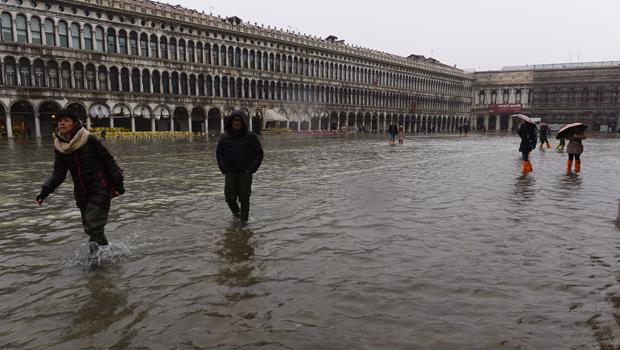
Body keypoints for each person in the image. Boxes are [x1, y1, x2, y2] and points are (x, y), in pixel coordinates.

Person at [36, 109, 124, 253]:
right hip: (81, 192)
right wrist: (45, 191)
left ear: (75, 123)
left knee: (93, 226)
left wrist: (118, 183)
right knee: (90, 228)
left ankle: (96, 265)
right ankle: (107, 257)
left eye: (66, 120)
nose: (62, 123)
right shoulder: (60, 146)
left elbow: (108, 160)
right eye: (60, 121)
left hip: (99, 188)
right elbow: (59, 173)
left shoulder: (89, 139)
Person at [216, 110, 264, 222]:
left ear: (243, 122)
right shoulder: (224, 137)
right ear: (230, 122)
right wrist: (224, 169)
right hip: (230, 173)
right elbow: (219, 154)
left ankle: (243, 224)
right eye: (234, 120)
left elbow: (259, 153)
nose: (236, 123)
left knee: (244, 199)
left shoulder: (251, 137)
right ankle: (237, 214)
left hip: (245, 173)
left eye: (238, 120)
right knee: (229, 198)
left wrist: (251, 169)